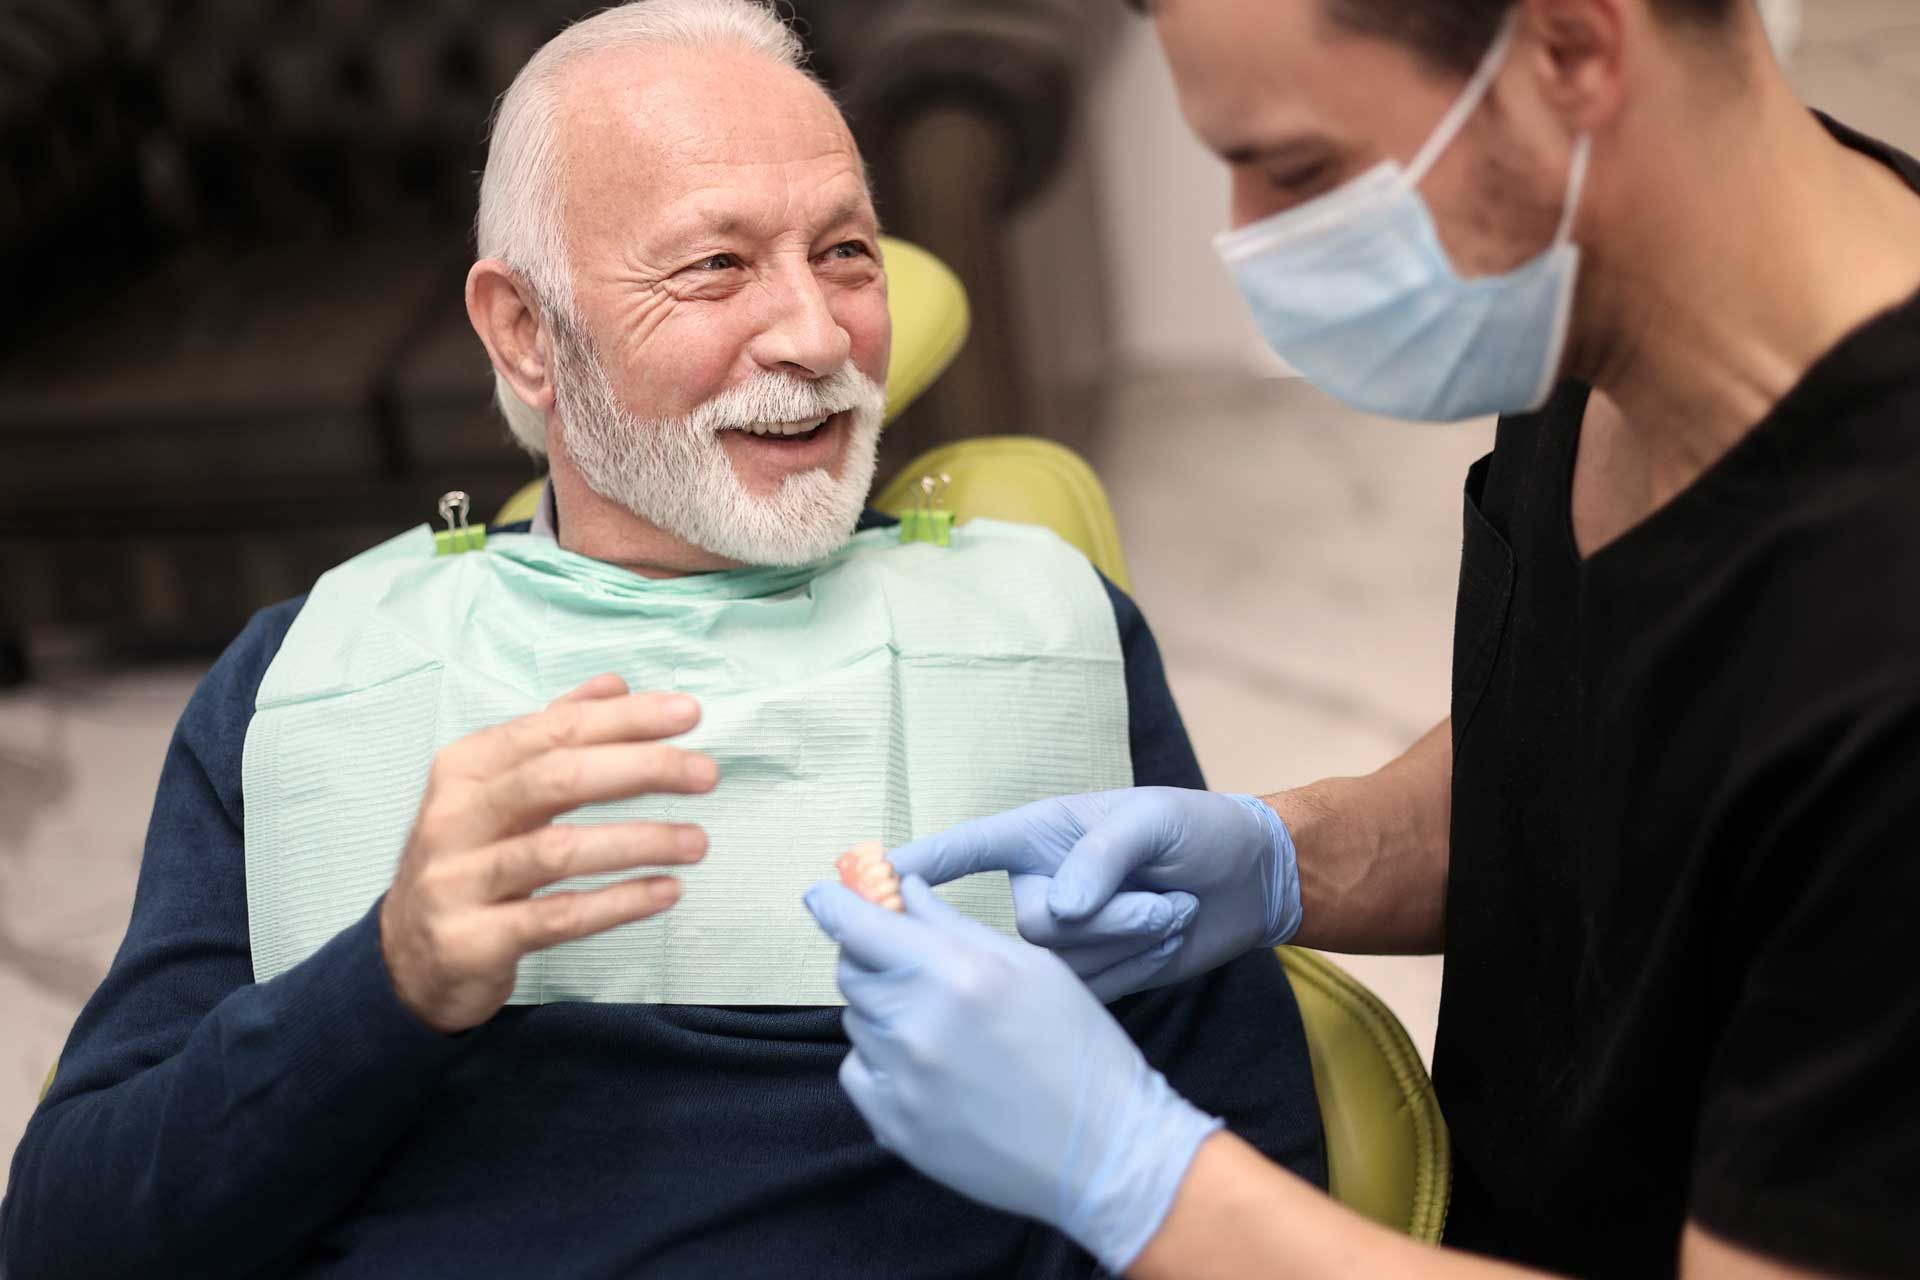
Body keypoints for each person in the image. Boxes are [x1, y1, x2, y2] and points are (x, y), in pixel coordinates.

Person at [0, 3, 1327, 1276]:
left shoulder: (1047, 638)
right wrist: (385, 979)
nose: (816, 336)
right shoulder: (306, 682)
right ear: (526, 335)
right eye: (716, 265)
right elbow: (68, 1243)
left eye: (848, 250)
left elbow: (1250, 1177)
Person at [802, 0, 1920, 1276]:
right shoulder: (1595, 285)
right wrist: (1293, 852)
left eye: (1297, 171)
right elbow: (1629, 757)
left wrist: (1137, 1175)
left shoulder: (1883, 642)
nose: (1250, 241)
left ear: (1569, 52)